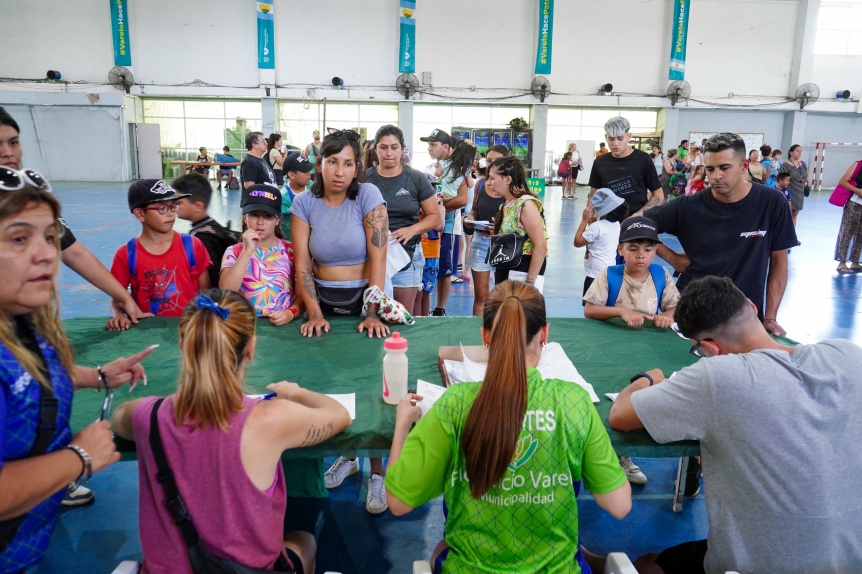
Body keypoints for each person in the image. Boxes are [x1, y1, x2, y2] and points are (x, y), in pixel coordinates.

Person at [609, 276, 862, 574]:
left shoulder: (718, 377)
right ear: (752, 307)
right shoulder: (848, 355)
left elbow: (620, 416)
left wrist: (648, 378)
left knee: (648, 564)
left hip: (758, 566)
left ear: (710, 348)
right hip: (852, 558)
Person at [384, 281, 632, 573]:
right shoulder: (573, 402)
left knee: (441, 550)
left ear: (485, 336)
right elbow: (619, 505)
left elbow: (398, 502)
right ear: (544, 334)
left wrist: (402, 425)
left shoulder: (456, 404)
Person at [113, 290, 352, 574]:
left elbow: (119, 417)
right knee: (305, 541)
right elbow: (339, 415)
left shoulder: (147, 416)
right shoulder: (268, 420)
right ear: (250, 347)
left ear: (183, 345)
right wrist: (295, 392)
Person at [0, 182, 153, 572]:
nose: (46, 254)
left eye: (50, 238)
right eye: (19, 238)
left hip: (27, 539)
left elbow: (33, 370)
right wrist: (78, 458)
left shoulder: (20, 317)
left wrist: (97, 376)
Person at [0, 106, 148, 334]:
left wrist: (124, 298)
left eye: (13, 142)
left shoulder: (29, 194)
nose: (8, 152)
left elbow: (72, 252)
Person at [641, 132, 798, 336]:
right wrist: (673, 258)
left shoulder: (771, 202)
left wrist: (770, 318)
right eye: (710, 169)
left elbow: (779, 262)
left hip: (744, 318)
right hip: (692, 318)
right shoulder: (688, 206)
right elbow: (634, 225)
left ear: (743, 166)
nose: (716, 176)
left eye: (724, 168)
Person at [290, 128, 389, 338]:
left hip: (367, 296)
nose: (339, 172)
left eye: (348, 164)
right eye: (332, 162)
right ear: (319, 165)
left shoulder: (368, 195)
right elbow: (303, 263)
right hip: (322, 298)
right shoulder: (303, 203)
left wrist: (372, 313)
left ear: (356, 169)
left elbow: (379, 259)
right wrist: (314, 313)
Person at [108, 179, 212, 324]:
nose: (170, 214)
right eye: (162, 208)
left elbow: (206, 293)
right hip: (147, 332)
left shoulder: (193, 245)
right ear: (140, 214)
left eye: (173, 206)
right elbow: (117, 298)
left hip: (188, 330)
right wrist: (118, 314)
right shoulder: (126, 254)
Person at [365, 125, 440, 314]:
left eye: (394, 147)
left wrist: (412, 230)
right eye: (383, 147)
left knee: (402, 316)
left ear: (402, 149)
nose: (389, 153)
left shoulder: (415, 178)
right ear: (376, 149)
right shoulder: (365, 179)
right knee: (372, 316)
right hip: (371, 255)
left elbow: (434, 216)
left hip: (406, 255)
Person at [220, 185, 301, 325]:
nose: (260, 222)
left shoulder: (291, 251)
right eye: (254, 215)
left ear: (277, 220)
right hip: (245, 325)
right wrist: (247, 251)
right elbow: (227, 290)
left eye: (268, 216)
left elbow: (302, 296)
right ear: (245, 217)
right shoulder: (234, 252)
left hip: (284, 327)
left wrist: (291, 313)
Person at [583, 216, 680, 328]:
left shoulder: (661, 274)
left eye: (647, 250)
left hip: (648, 337)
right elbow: (589, 310)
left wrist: (668, 315)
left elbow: (675, 307)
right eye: (633, 249)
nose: (640, 255)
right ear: (620, 250)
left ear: (654, 251)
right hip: (614, 335)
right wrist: (621, 312)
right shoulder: (608, 275)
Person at [420, 129, 469, 316]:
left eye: (433, 145)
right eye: (429, 145)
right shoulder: (430, 168)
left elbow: (462, 199)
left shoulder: (457, 170)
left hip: (448, 227)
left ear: (446, 147)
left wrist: (436, 206)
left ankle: (440, 308)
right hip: (429, 227)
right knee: (426, 265)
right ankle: (423, 306)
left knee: (444, 269)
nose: (429, 148)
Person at [486, 156, 548, 288]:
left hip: (522, 268)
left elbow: (541, 246)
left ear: (508, 179)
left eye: (492, 178)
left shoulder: (526, 205)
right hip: (506, 266)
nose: (488, 183)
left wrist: (529, 283)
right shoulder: (507, 204)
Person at [173, 173, 239, 288]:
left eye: (179, 203)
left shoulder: (202, 238)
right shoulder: (213, 227)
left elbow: (212, 281)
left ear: (198, 206)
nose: (174, 206)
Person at [588, 117, 664, 215]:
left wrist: (636, 216)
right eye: (611, 139)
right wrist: (591, 218)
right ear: (606, 137)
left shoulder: (643, 159)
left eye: (620, 138)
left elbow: (658, 194)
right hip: (608, 224)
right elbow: (592, 196)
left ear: (629, 136)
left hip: (637, 223)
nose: (615, 143)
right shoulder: (600, 162)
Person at [465, 144, 508, 316]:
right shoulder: (480, 184)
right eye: (489, 160)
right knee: (480, 297)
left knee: (503, 296)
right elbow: (474, 209)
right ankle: (479, 336)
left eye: (496, 161)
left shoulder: (514, 188)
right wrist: (471, 219)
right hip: (481, 242)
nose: (491, 164)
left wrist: (500, 228)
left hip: (504, 245)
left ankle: (501, 333)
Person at [574, 188, 629, 304]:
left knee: (591, 306)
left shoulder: (597, 227)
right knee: (605, 304)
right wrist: (592, 222)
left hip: (594, 275)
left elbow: (577, 242)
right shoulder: (615, 225)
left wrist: (584, 220)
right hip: (609, 272)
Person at [833, 159, 862, 274]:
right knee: (847, 231)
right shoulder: (858, 164)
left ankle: (855, 261)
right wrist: (857, 190)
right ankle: (842, 262)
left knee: (860, 234)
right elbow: (843, 181)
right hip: (854, 202)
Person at [279, 154, 313, 239]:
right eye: (305, 171)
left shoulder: (315, 189)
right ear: (291, 175)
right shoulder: (282, 198)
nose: (309, 173)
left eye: (309, 170)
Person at [781, 144, 808, 231]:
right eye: (797, 150)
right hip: (789, 191)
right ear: (791, 152)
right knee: (787, 214)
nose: (799, 152)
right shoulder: (785, 165)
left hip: (799, 192)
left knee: (795, 213)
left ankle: (792, 235)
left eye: (801, 150)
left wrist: (806, 182)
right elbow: (781, 179)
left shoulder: (802, 164)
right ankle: (783, 235)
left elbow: (806, 174)